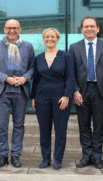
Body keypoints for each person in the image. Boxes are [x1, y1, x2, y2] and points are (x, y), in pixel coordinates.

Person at [69, 16, 103, 169]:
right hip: (81, 92)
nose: (89, 29)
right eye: (85, 26)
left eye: (92, 26)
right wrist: (75, 91)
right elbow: (71, 73)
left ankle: (97, 156)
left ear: (98, 28)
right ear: (82, 29)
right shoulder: (74, 47)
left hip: (100, 92)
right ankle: (86, 156)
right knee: (83, 126)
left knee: (99, 126)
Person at [0, 19, 34, 168]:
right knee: (1, 126)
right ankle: (2, 155)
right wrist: (6, 79)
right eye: (8, 28)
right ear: (4, 29)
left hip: (21, 91)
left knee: (19, 126)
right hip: (2, 91)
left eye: (15, 28)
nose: (11, 31)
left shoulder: (28, 47)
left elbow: (33, 68)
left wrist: (24, 78)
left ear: (20, 29)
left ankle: (15, 156)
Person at [31, 28, 74, 169]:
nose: (50, 39)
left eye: (53, 37)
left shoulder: (65, 56)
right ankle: (45, 158)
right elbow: (35, 80)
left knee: (60, 129)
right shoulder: (38, 58)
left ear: (58, 39)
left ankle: (58, 159)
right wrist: (33, 97)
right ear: (43, 39)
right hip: (41, 95)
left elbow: (70, 77)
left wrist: (67, 95)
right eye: (47, 37)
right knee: (44, 129)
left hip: (60, 94)